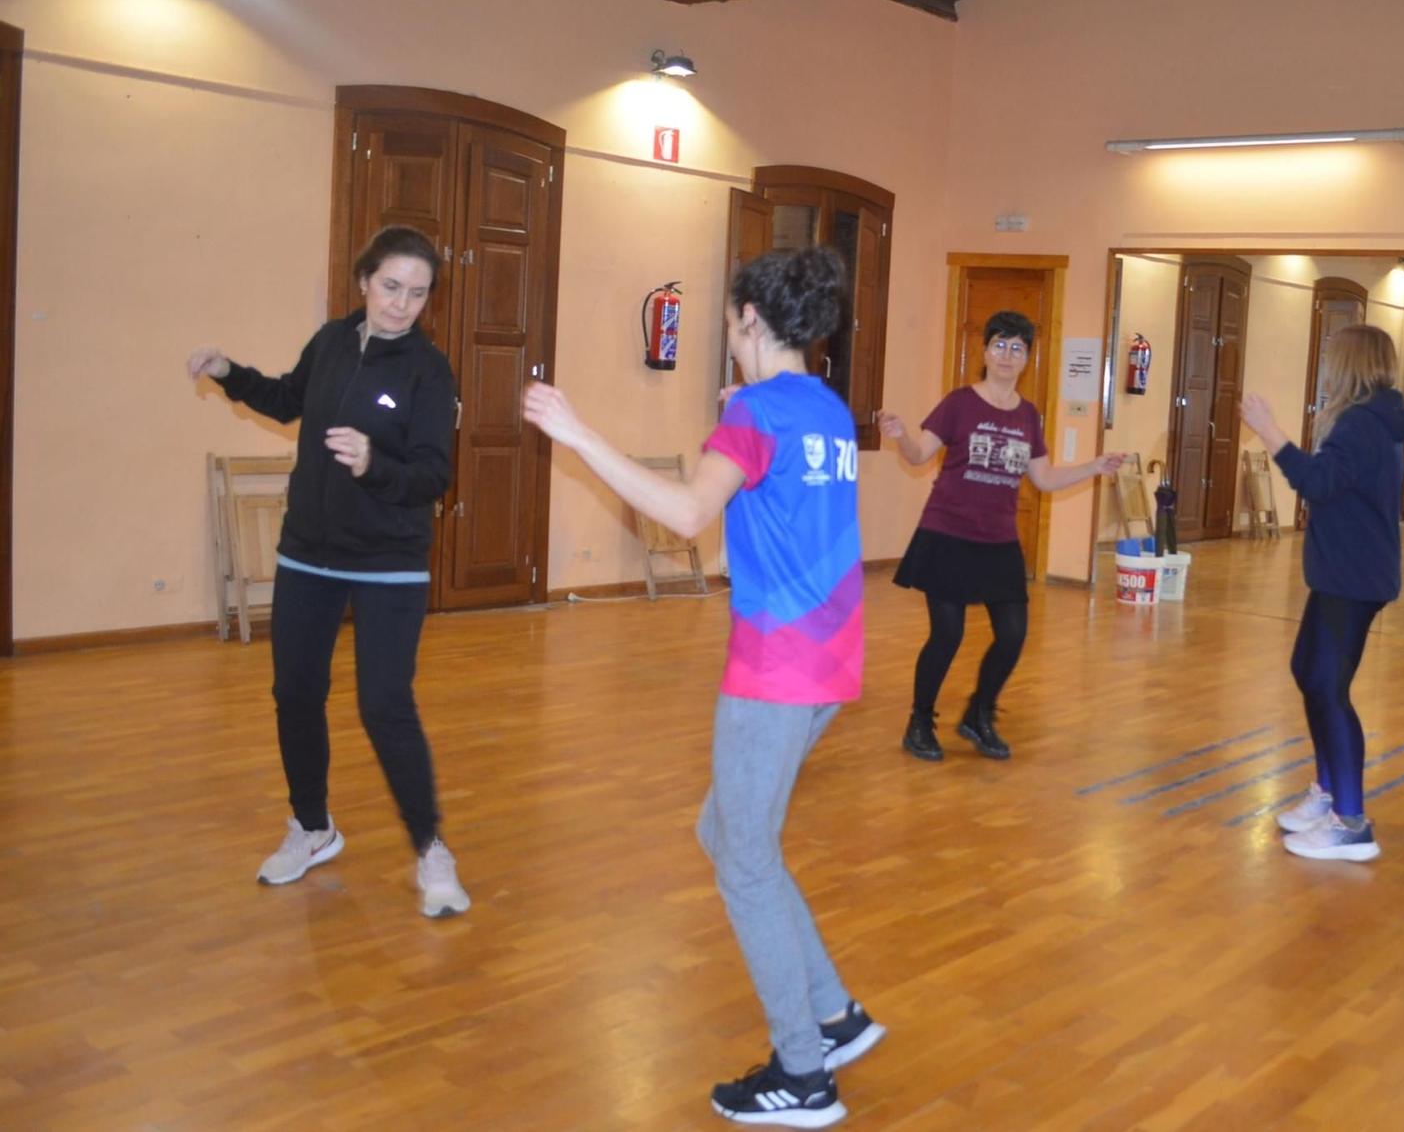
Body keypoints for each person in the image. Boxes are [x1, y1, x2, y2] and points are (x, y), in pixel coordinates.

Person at [523, 246, 882, 1128]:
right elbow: (775, 500)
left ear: (751, 321)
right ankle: (836, 1013)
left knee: (745, 859)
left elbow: (687, 516)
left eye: (727, 322)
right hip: (832, 658)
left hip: (777, 668)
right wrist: (737, 421)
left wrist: (578, 434)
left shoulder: (757, 412)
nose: (727, 335)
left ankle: (804, 1072)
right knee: (725, 828)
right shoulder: (822, 407)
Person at [187, 225, 470, 918]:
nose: (402, 303)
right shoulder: (333, 341)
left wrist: (376, 465)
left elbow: (434, 473)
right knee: (295, 690)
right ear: (364, 281)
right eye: (391, 286)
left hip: (388, 559)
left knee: (384, 703)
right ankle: (312, 827)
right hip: (308, 549)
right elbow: (288, 399)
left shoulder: (428, 372)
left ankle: (432, 850)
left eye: (418, 292)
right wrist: (229, 373)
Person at [878, 311, 1121, 763]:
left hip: (998, 540)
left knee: (1012, 635)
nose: (1008, 355)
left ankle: (978, 714)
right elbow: (918, 457)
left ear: (1027, 357)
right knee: (947, 634)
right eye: (1000, 345)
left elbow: (1043, 478)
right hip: (947, 534)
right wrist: (900, 436)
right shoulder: (958, 403)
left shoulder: (1028, 415)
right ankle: (919, 721)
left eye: (1018, 348)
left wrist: (1094, 466)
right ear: (985, 352)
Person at [1239, 325, 1404, 862]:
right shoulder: (1375, 419)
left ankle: (1351, 823)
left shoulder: (1362, 424)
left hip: (1353, 577)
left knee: (1329, 688)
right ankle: (1329, 792)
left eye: (1332, 359)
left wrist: (1271, 433)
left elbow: (1317, 483)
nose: (1325, 368)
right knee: (1308, 673)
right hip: (1345, 572)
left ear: (1349, 365)